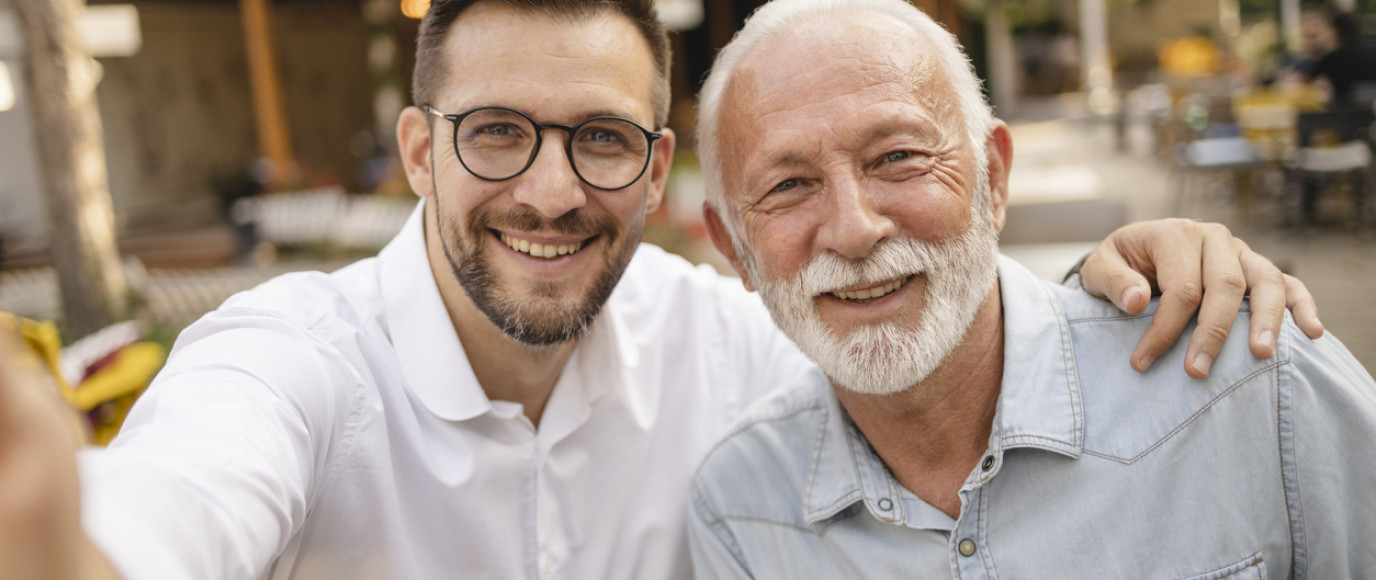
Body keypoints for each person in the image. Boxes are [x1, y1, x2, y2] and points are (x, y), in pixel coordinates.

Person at [0, 1, 1326, 578]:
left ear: (655, 179)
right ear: (420, 153)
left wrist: (1140, 262)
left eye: (601, 140)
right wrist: (54, 544)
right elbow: (177, 507)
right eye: (495, 134)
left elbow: (895, 282)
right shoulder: (285, 359)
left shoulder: (728, 338)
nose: (549, 190)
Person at [686, 0, 1376, 577]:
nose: (855, 229)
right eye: (788, 186)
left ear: (995, 178)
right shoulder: (742, 511)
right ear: (733, 249)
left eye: (897, 156)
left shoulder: (1253, 382)